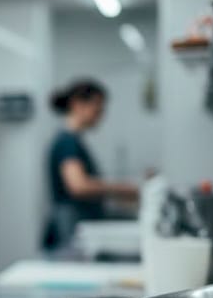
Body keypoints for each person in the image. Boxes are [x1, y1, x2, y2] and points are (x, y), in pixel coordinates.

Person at [42, 79, 140, 249]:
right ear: (77, 104)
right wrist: (123, 189)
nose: (101, 115)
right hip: (71, 225)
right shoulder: (67, 142)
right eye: (97, 109)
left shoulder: (72, 141)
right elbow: (78, 186)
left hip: (76, 222)